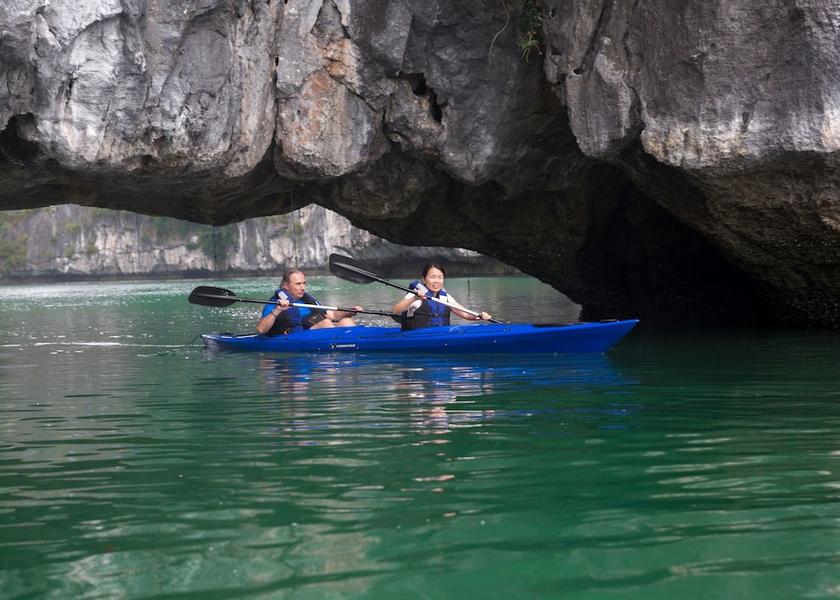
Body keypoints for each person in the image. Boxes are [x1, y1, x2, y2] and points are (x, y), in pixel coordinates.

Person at [256, 269, 361, 335]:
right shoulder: (275, 303)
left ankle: (354, 347)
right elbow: (261, 330)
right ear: (286, 286)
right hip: (295, 336)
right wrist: (277, 310)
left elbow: (332, 315)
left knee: (346, 321)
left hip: (319, 331)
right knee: (325, 323)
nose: (303, 288)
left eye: (304, 283)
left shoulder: (307, 300)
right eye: (298, 284)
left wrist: (351, 311)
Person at [392, 263, 492, 331]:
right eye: (432, 277)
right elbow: (396, 310)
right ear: (423, 279)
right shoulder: (416, 294)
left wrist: (479, 316)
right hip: (416, 336)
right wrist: (415, 298)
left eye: (440, 277)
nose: (437, 281)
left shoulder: (446, 297)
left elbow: (465, 314)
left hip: (440, 334)